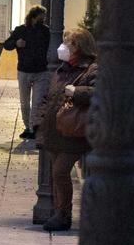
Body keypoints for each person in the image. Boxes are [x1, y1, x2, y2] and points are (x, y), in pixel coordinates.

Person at [39, 27, 97, 233]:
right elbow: (50, 97)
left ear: (80, 47)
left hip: (74, 132)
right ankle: (59, 212)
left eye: (69, 43)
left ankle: (64, 215)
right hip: (56, 130)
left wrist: (77, 91)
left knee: (60, 171)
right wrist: (40, 125)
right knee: (56, 174)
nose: (64, 47)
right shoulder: (62, 69)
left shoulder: (91, 69)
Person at [2, 5, 51, 141]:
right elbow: (6, 45)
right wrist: (16, 43)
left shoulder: (46, 31)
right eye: (42, 16)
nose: (44, 19)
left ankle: (33, 128)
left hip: (41, 71)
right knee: (24, 102)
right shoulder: (21, 30)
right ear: (34, 16)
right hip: (24, 70)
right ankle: (28, 127)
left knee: (37, 102)